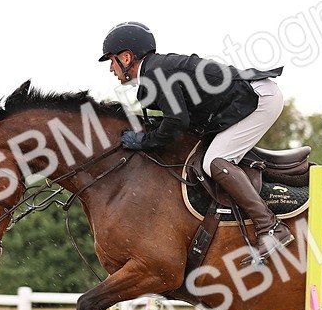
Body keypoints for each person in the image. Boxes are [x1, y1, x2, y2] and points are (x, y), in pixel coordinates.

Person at [99, 21, 294, 260]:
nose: (111, 69)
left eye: (111, 60)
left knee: (214, 161)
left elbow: (176, 122)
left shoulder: (156, 73)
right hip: (249, 98)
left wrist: (144, 141)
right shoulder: (156, 70)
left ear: (126, 57)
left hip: (259, 99)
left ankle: (271, 227)